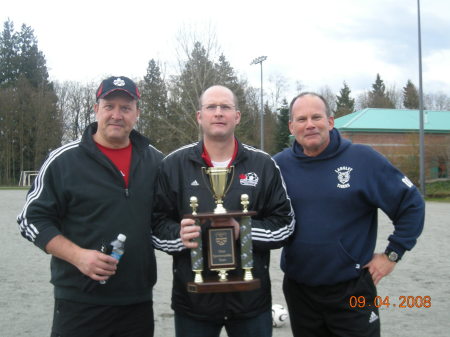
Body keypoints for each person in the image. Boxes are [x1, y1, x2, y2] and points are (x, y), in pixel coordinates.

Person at [17, 76, 163, 337]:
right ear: (96, 109)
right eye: (109, 106)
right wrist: (78, 256)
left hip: (137, 303)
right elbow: (31, 219)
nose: (117, 115)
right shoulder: (64, 161)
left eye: (126, 108)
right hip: (79, 303)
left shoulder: (155, 161)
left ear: (137, 114)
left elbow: (166, 219)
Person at [273, 92, 425, 337]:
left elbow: (411, 203)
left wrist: (392, 254)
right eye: (301, 119)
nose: (309, 124)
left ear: (331, 122)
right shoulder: (278, 165)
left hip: (353, 289)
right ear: (292, 126)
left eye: (316, 117)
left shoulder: (363, 159)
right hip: (299, 290)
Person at [151, 85, 295, 337]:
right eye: (211, 107)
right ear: (199, 116)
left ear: (237, 116)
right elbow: (156, 225)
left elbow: (285, 224)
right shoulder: (173, 165)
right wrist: (180, 236)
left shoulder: (263, 164)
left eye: (225, 107)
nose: (218, 113)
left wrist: (244, 231)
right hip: (194, 301)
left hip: (250, 301)